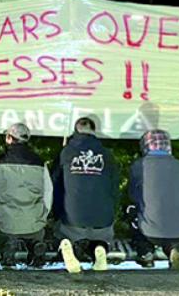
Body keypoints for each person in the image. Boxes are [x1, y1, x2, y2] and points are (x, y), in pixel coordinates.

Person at [53, 116, 119, 273]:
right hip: (103, 219)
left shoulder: (65, 153)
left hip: (73, 219)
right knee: (102, 238)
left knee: (61, 232)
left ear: (75, 131)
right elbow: (115, 189)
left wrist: (57, 213)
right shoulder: (107, 155)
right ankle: (100, 248)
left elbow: (55, 186)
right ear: (94, 131)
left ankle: (67, 245)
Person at [127, 130, 179, 270]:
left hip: (150, 231)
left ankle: (145, 253)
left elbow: (133, 196)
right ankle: (176, 249)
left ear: (145, 145)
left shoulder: (139, 166)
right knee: (171, 234)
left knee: (132, 210)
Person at [0, 122, 51, 268]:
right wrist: (44, 214)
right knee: (35, 231)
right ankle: (35, 246)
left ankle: (9, 247)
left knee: (5, 231)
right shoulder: (39, 162)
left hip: (6, 220)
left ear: (9, 138)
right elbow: (48, 192)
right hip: (34, 219)